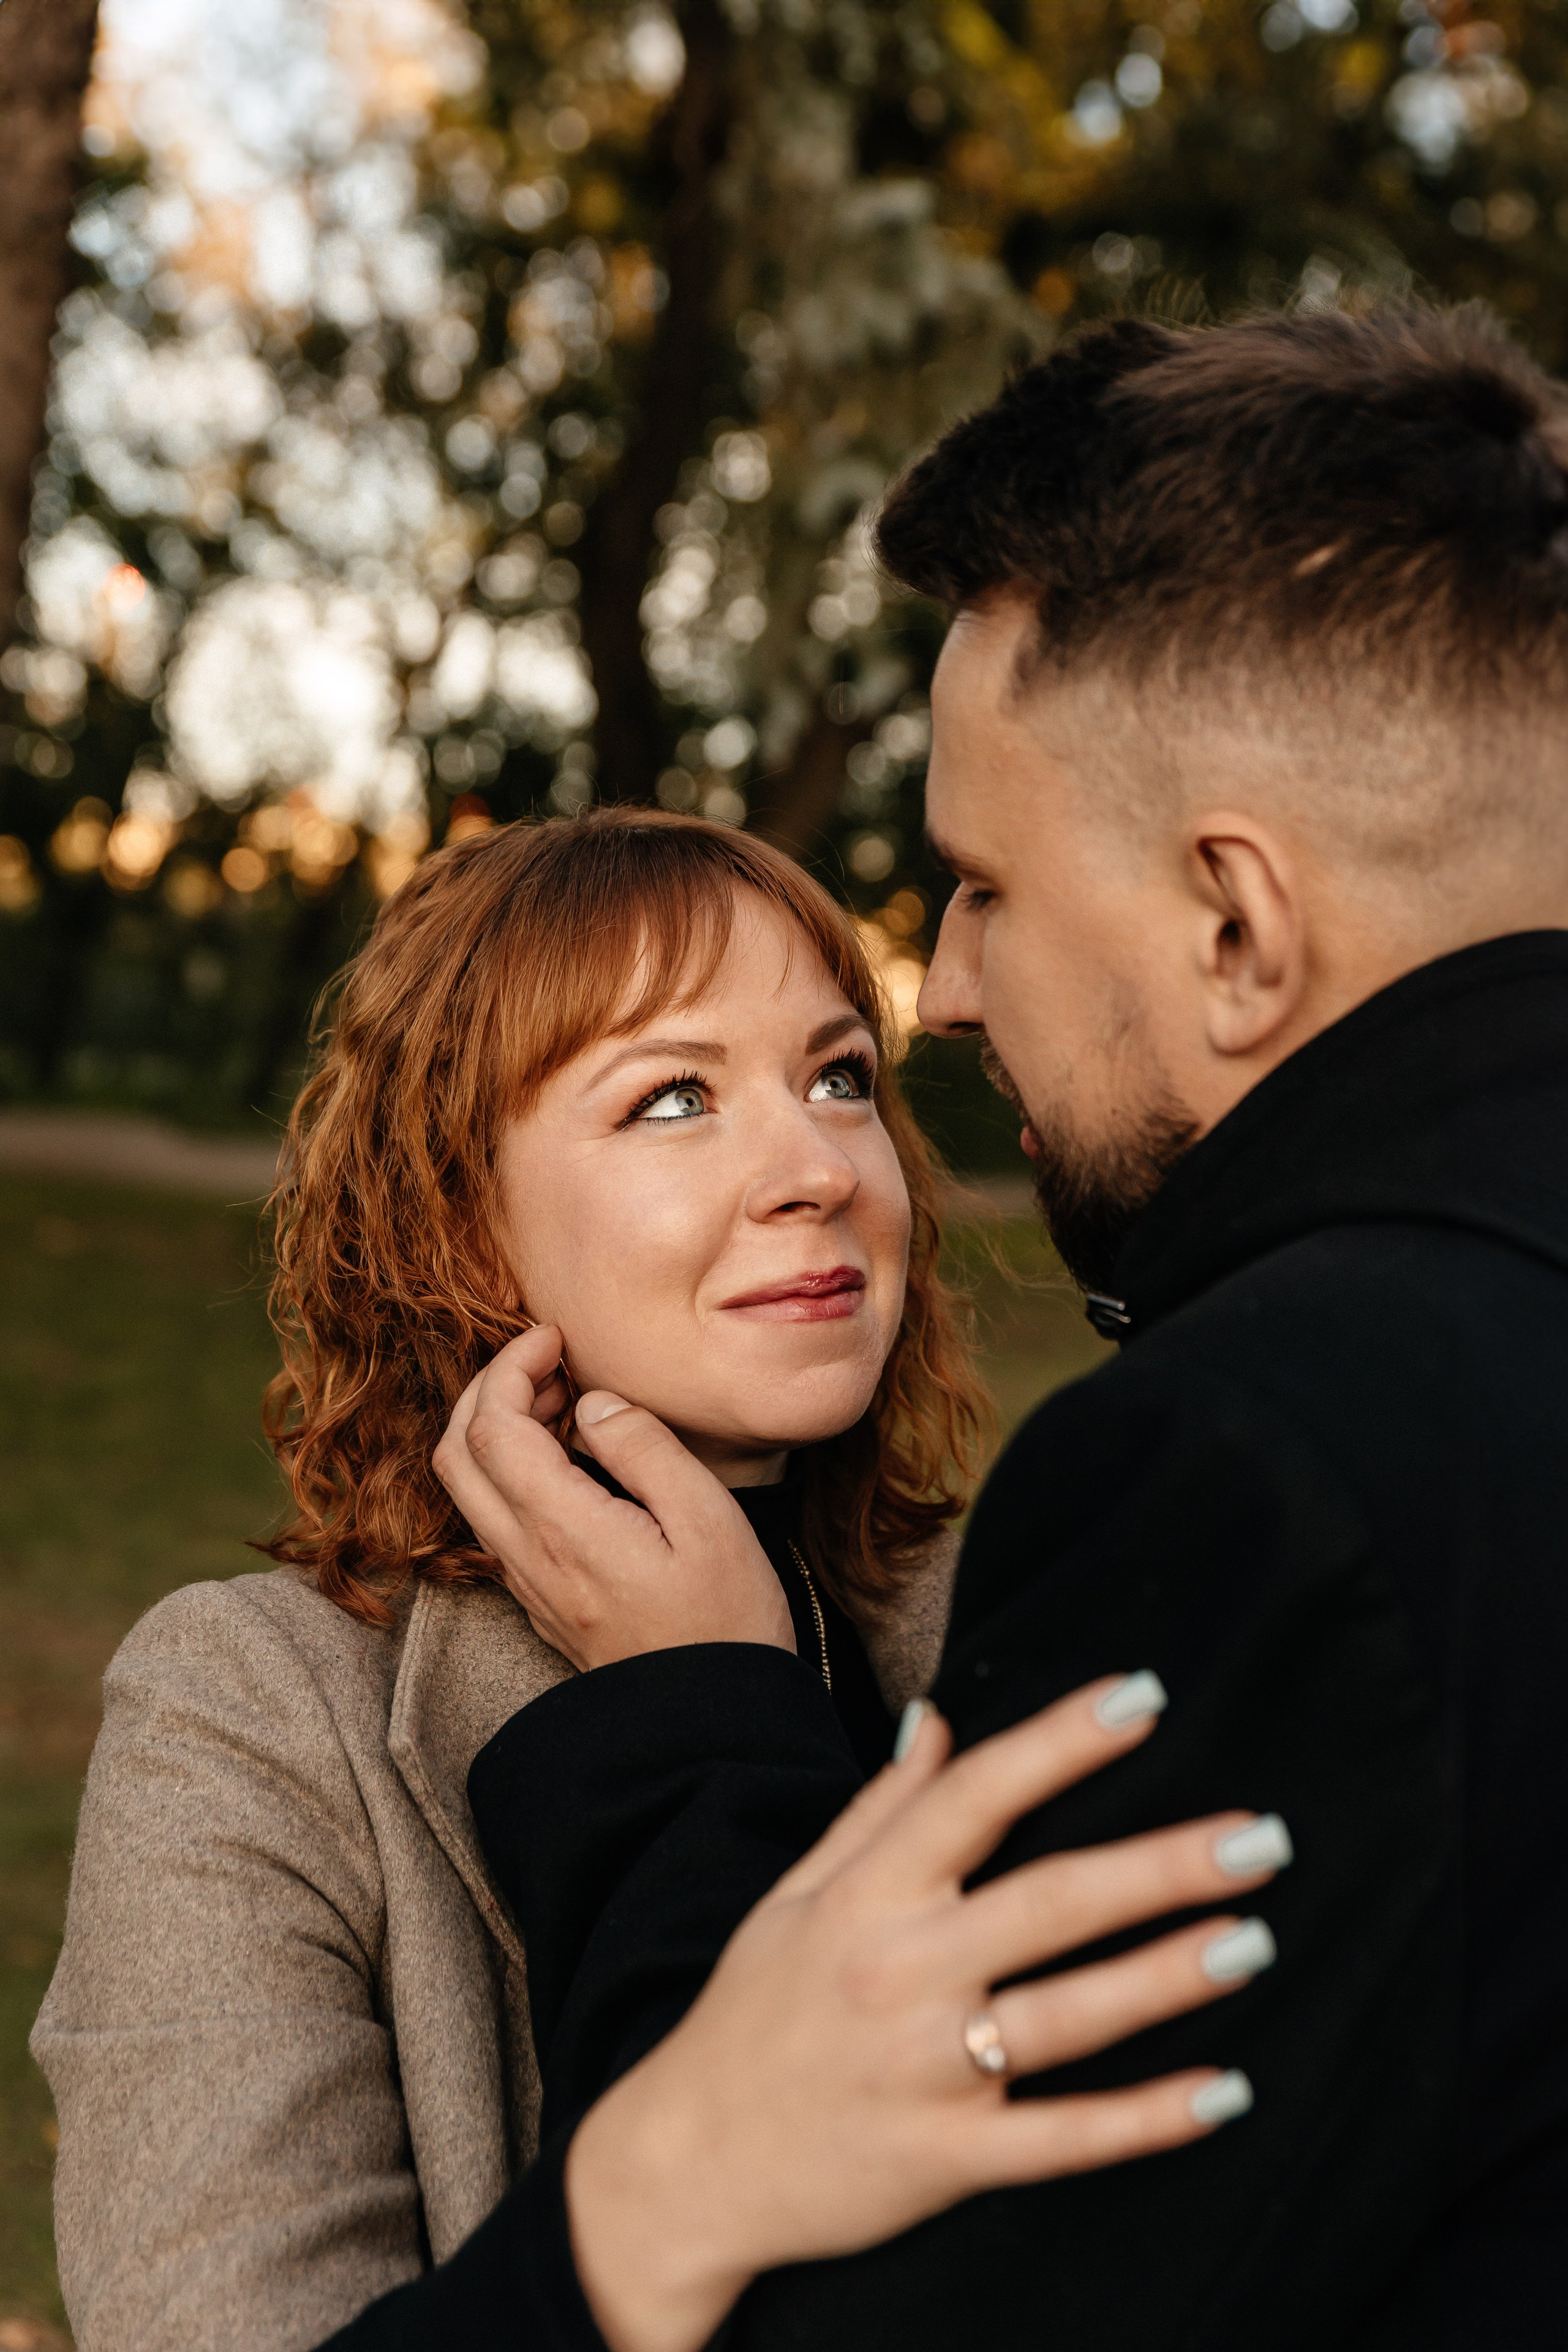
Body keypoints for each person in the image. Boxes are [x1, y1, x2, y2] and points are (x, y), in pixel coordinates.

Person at [450, 301, 1568, 2352]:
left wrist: (691, 1732)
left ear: (1235, 927)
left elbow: (853, 2308)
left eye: (980, 886)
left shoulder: (1262, 1470)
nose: (945, 994)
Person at [30, 810, 1283, 2352]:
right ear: (457, 1219)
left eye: (838, 1079)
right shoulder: (252, 1712)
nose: (816, 1169)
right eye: (673, 1098)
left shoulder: (1023, 1623)